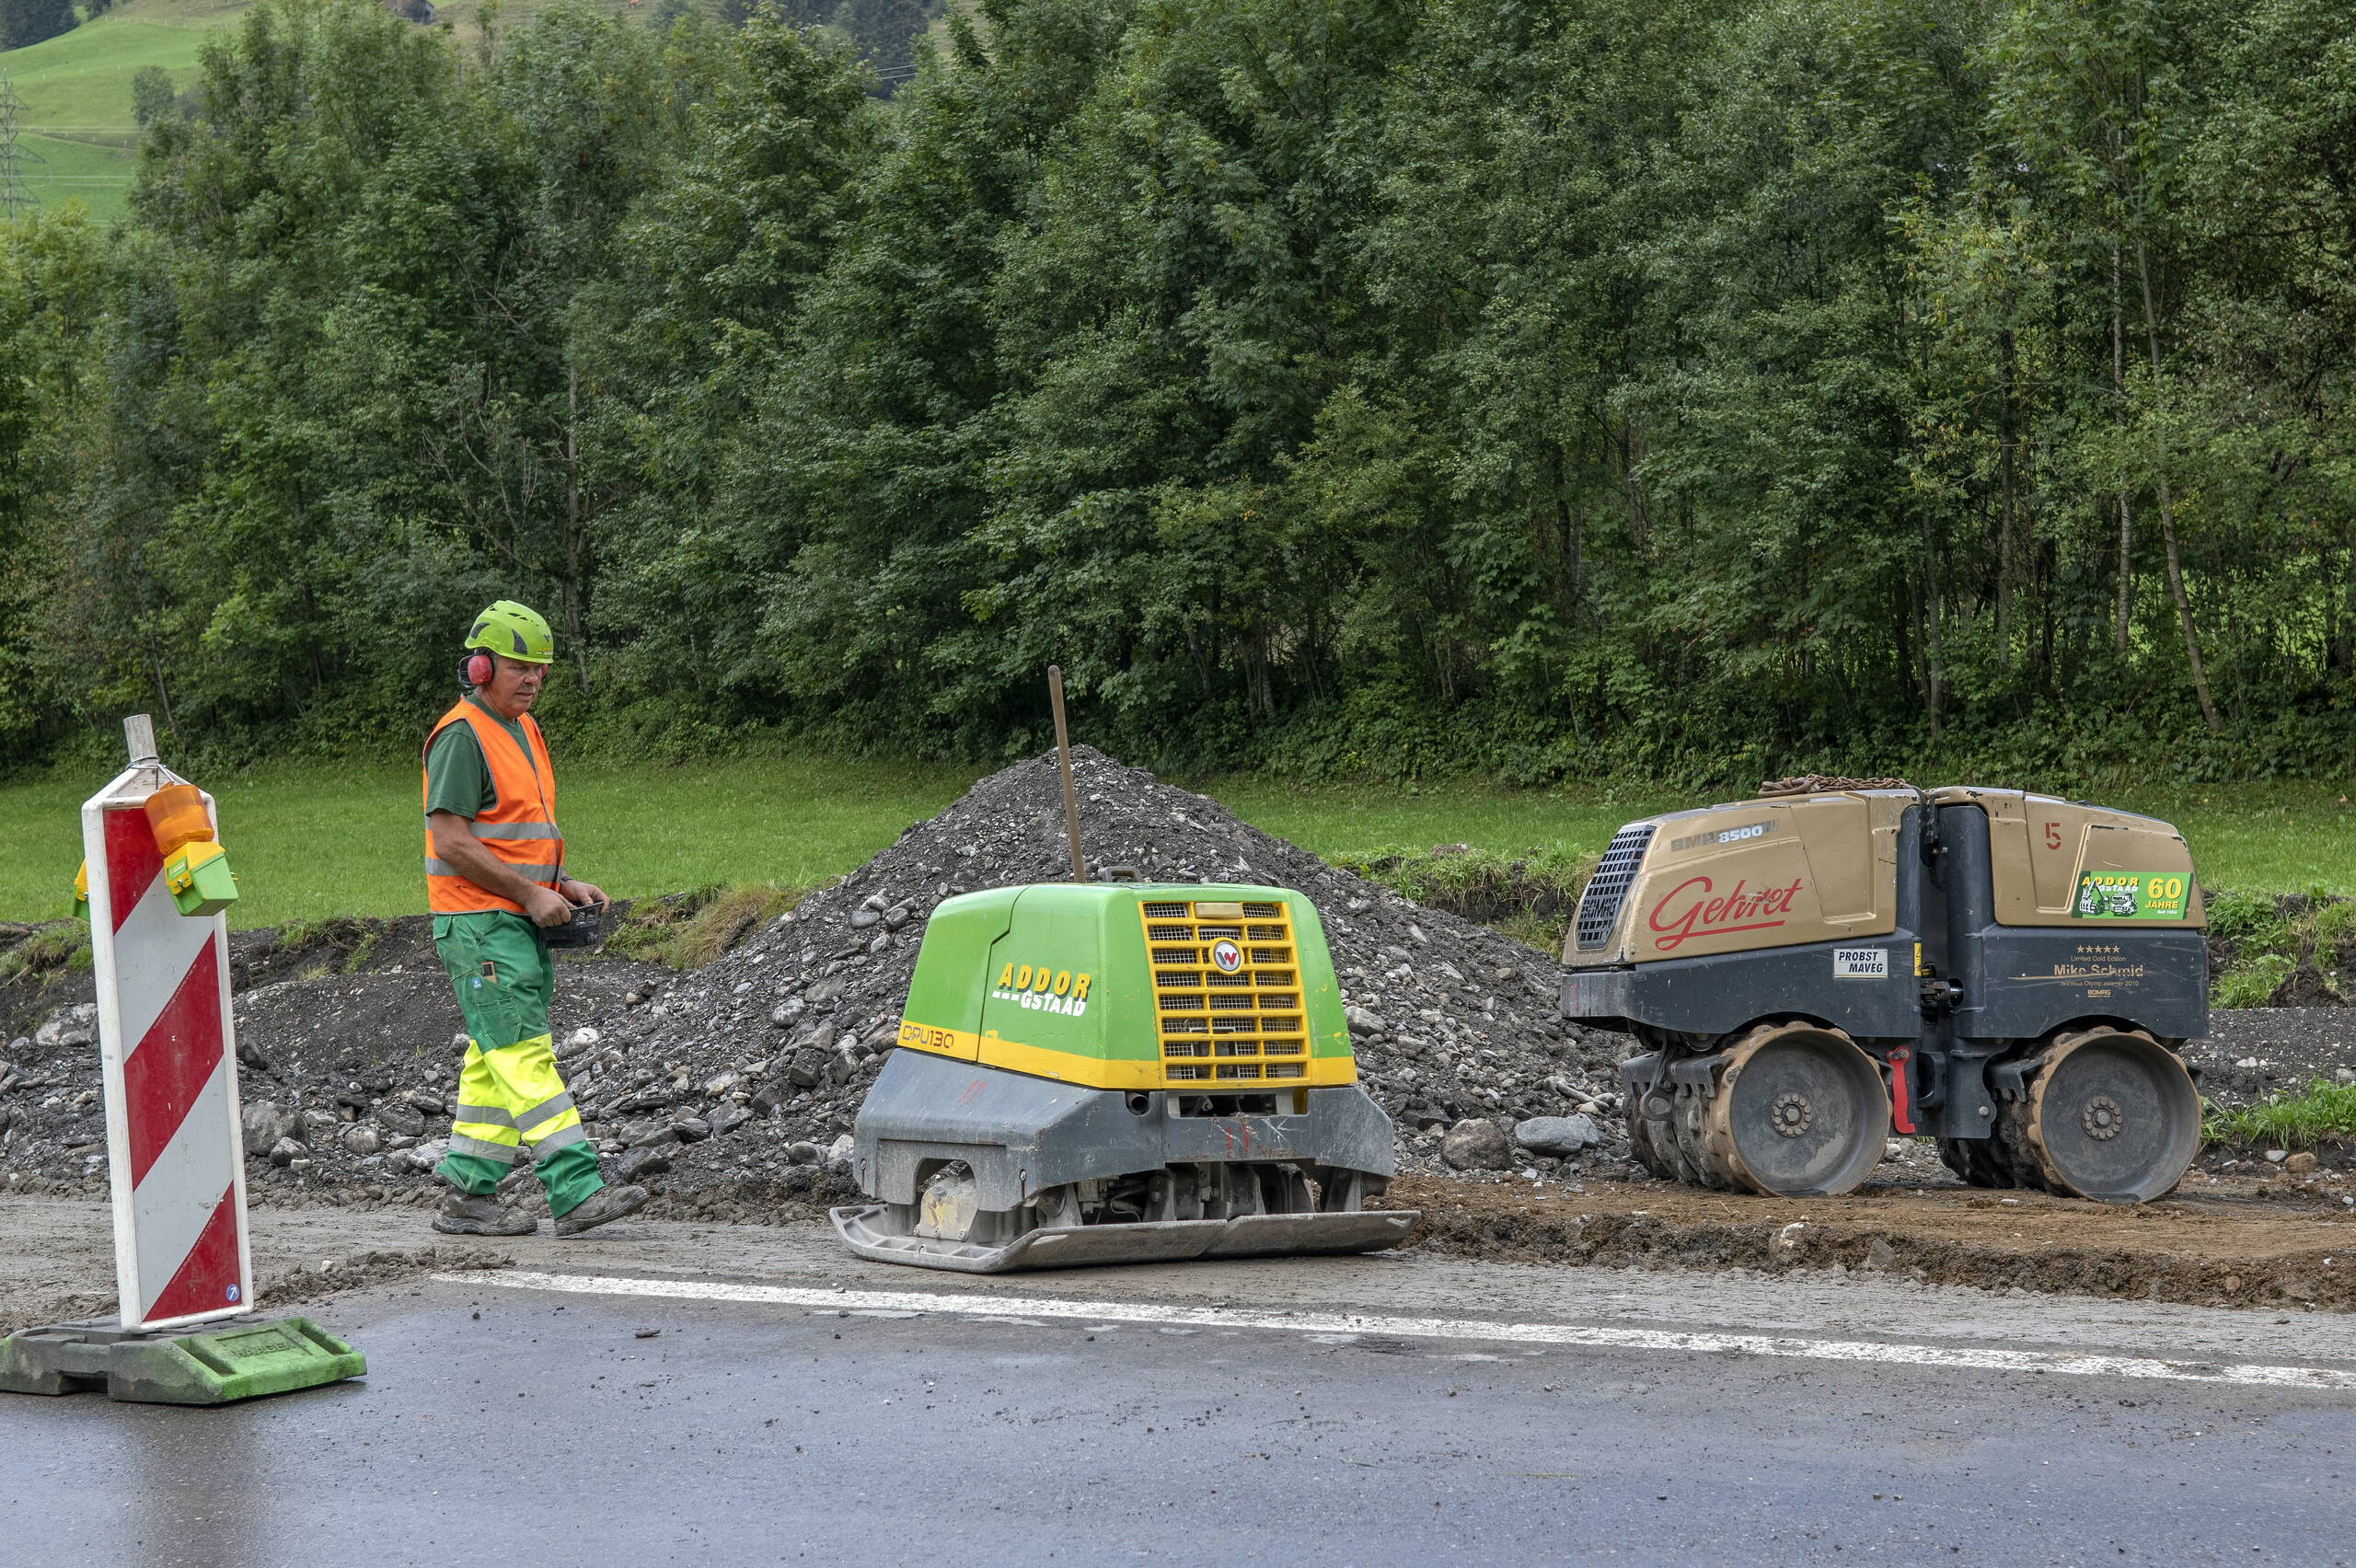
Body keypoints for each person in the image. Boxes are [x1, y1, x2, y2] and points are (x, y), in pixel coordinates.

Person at [422, 600, 646, 1238]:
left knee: (494, 1058)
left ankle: (468, 1196)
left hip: (510, 915)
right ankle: (575, 1191)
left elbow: (517, 832)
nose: (533, 680)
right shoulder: (462, 736)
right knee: (523, 1055)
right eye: (521, 667)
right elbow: (452, 841)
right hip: (480, 922)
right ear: (481, 666)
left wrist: (560, 884)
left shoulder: (525, 729)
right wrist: (527, 893)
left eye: (541, 671)